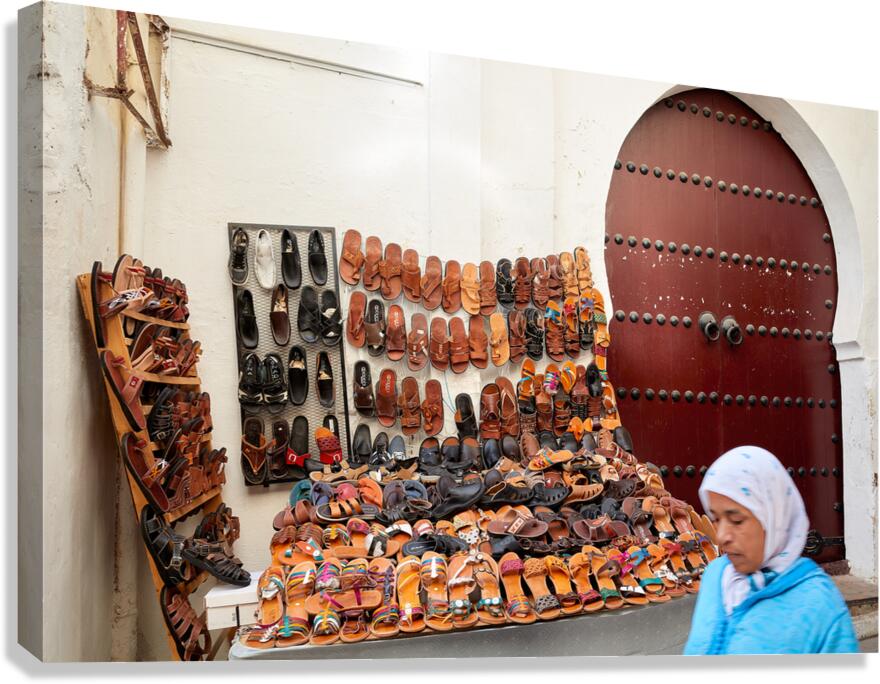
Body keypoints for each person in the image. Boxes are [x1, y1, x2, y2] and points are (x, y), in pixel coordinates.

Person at [684, 445, 858, 655]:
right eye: (716, 519)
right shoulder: (716, 576)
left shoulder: (820, 606)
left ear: (774, 517)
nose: (721, 536)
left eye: (737, 520)